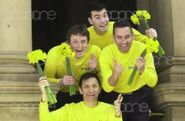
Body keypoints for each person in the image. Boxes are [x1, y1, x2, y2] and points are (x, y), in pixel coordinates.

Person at [99, 20, 158, 121]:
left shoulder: (143, 49)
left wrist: (142, 70)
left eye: (127, 37)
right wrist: (115, 75)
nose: (124, 41)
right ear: (113, 38)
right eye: (119, 37)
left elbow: (153, 82)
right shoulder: (106, 52)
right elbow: (107, 88)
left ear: (133, 36)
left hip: (139, 96)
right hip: (115, 97)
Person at [44, 25, 101, 110]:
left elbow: (104, 79)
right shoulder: (55, 53)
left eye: (83, 41)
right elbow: (45, 81)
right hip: (62, 95)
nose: (80, 46)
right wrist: (61, 82)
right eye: (75, 42)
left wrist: (94, 70)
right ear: (68, 43)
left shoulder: (95, 51)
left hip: (87, 95)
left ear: (88, 43)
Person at [39, 72, 123, 121]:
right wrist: (44, 94)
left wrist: (118, 114)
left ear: (100, 89)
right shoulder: (70, 109)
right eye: (86, 86)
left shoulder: (109, 109)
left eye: (94, 86)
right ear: (80, 90)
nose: (91, 90)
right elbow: (45, 119)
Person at [87, 2, 157, 49]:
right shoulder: (86, 35)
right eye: (98, 17)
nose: (103, 21)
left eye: (105, 15)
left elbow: (144, 41)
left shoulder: (118, 27)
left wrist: (152, 37)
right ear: (90, 20)